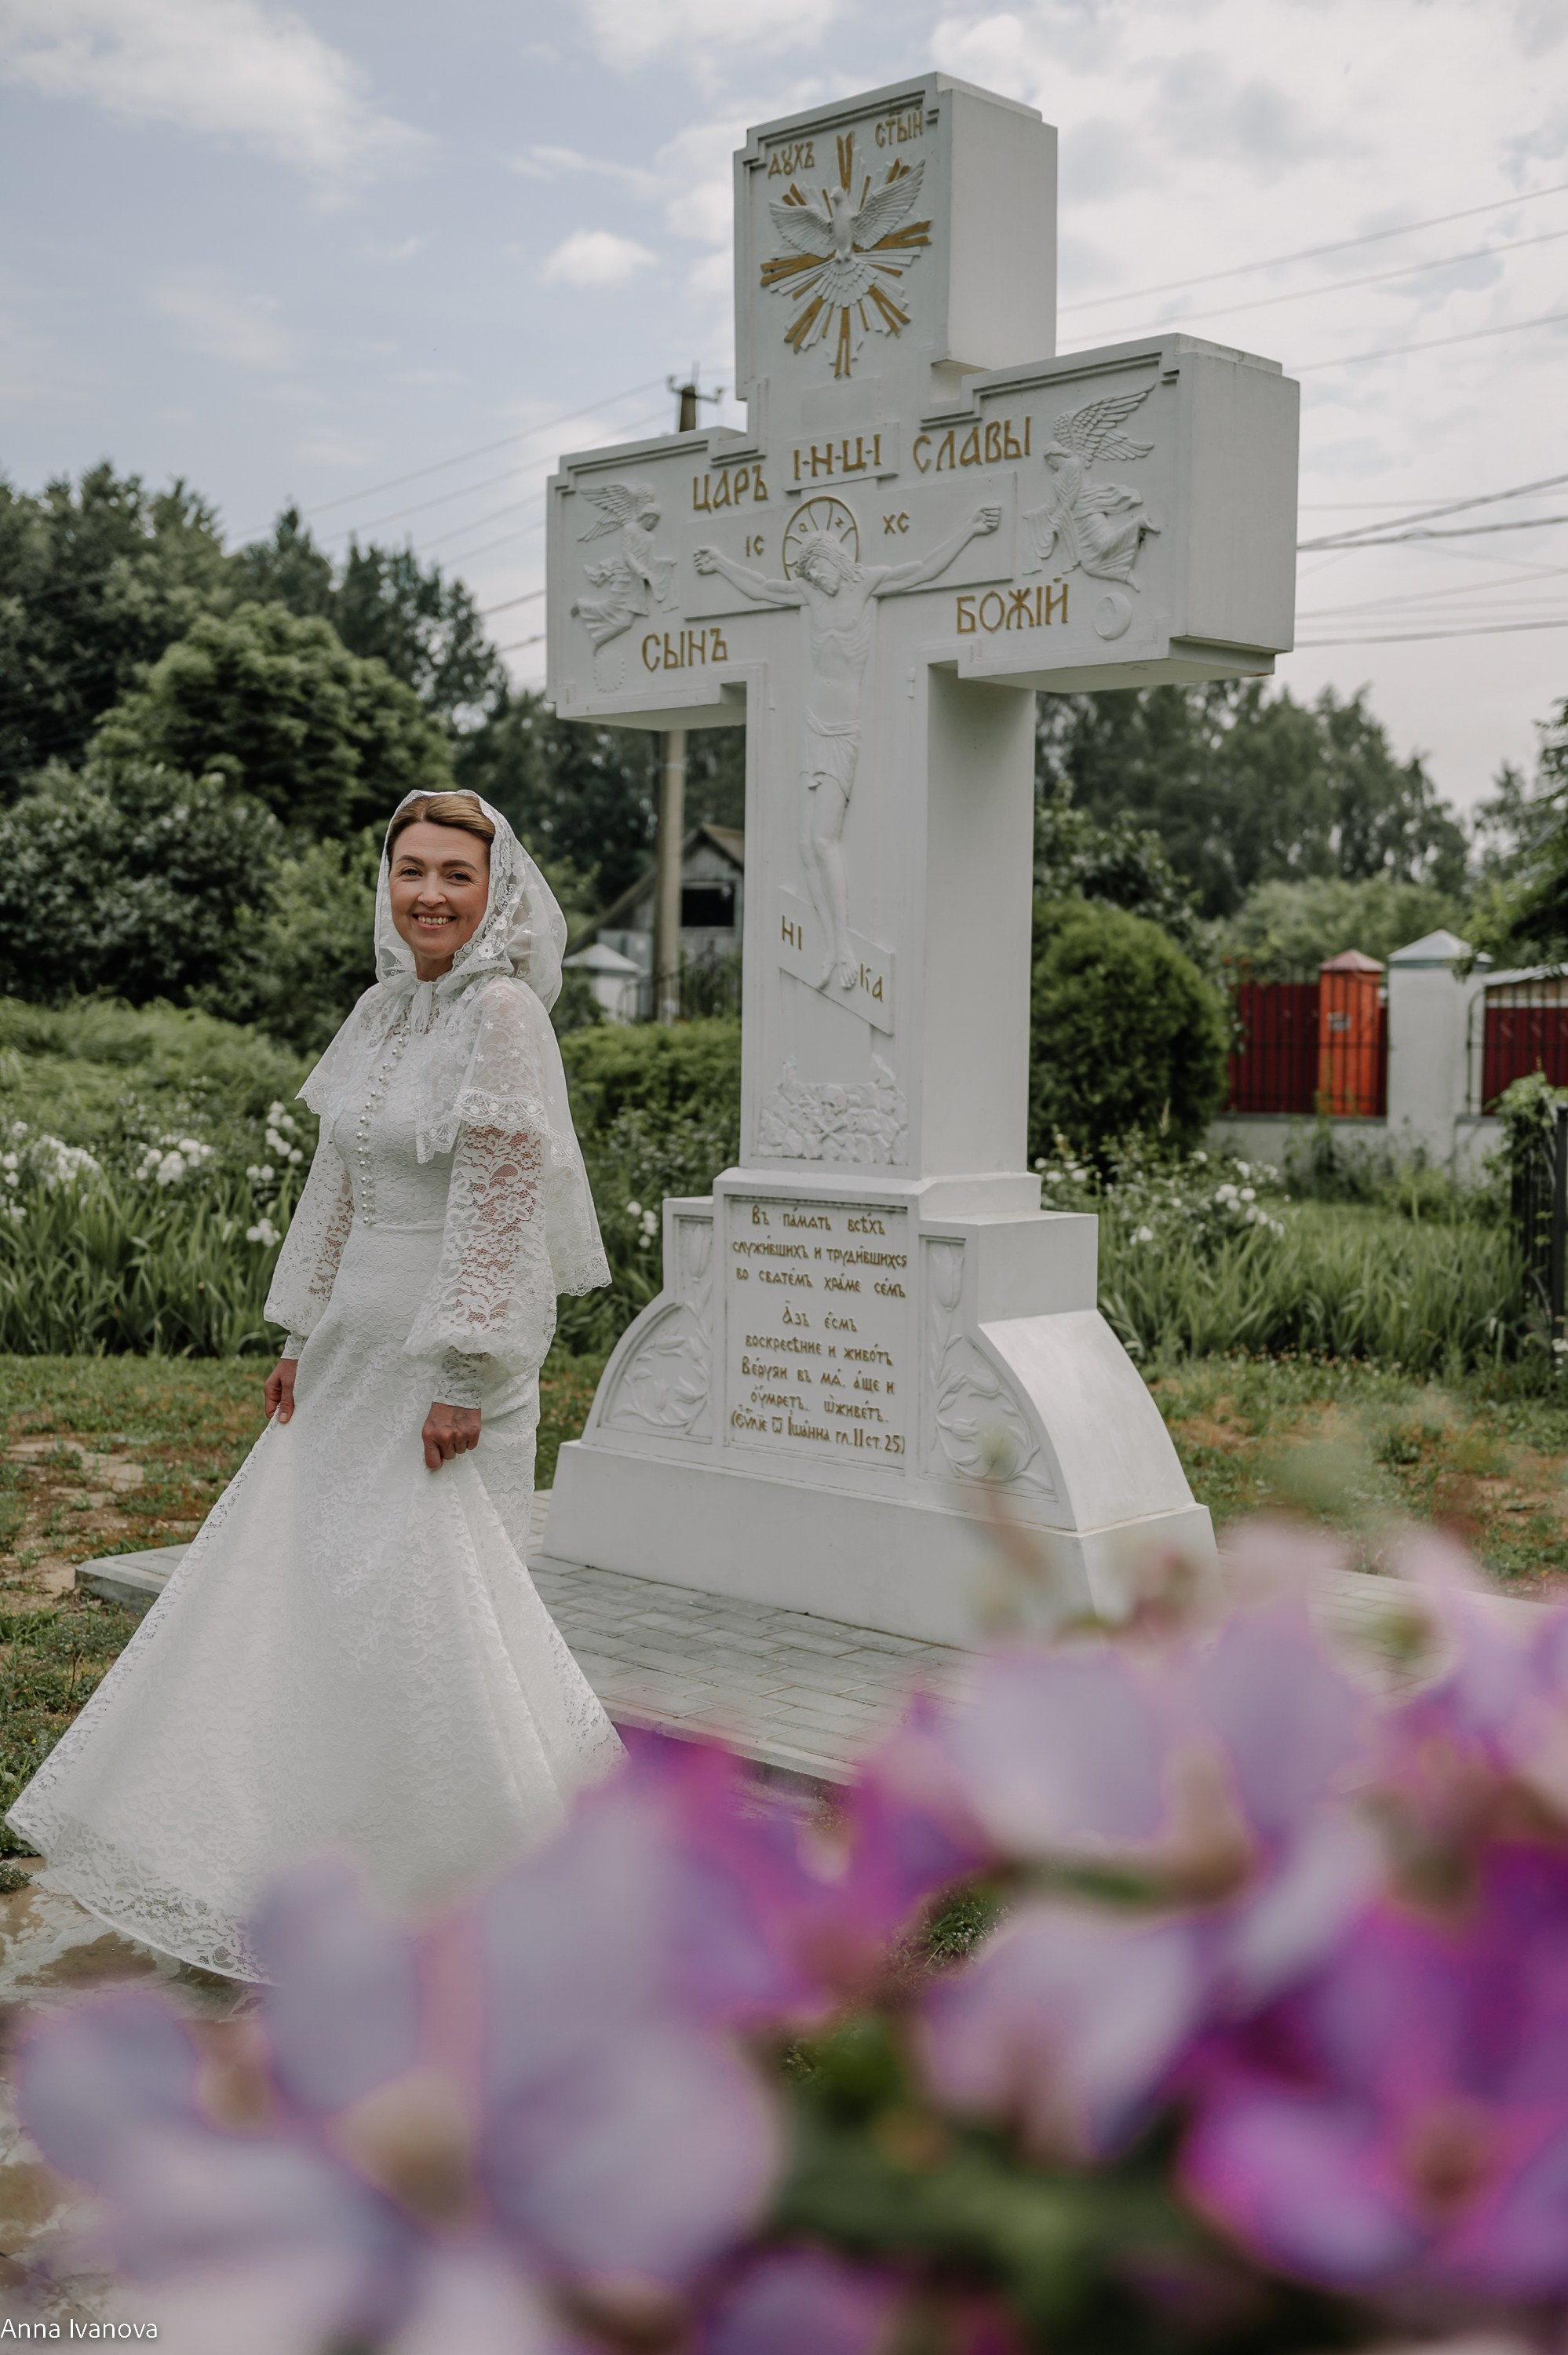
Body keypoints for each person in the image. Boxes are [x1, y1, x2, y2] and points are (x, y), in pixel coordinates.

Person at [6, 790, 623, 1978]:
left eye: (456, 874)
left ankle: (473, 1895)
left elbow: (499, 1205)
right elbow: (335, 1185)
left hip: (447, 1355)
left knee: (437, 1614)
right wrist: (299, 1328)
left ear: (496, 895)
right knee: (323, 1600)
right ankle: (305, 1863)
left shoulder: (503, 1017)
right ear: (387, 883)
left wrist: (465, 1369)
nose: (430, 893)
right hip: (350, 1346)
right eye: (412, 870)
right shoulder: (380, 1011)